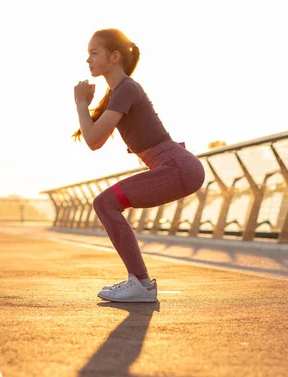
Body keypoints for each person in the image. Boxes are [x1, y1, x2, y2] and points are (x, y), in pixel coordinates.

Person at [73, 28, 205, 303]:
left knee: (105, 203)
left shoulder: (126, 88)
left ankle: (141, 283)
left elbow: (94, 139)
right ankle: (140, 282)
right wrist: (84, 105)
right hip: (173, 166)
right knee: (106, 203)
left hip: (177, 167)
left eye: (94, 53)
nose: (88, 59)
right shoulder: (117, 92)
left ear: (115, 56)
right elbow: (93, 141)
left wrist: (80, 103)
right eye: (88, 54)